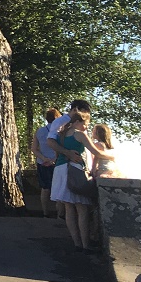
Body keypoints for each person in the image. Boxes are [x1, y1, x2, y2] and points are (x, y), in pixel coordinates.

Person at [50, 107, 108, 251]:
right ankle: (86, 244)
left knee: (69, 208)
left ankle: (77, 243)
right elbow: (96, 152)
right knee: (81, 208)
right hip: (74, 170)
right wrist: (112, 157)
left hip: (60, 170)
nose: (86, 127)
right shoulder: (80, 135)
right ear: (77, 122)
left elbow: (52, 145)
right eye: (85, 124)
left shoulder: (61, 134)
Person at [31, 107, 61, 218]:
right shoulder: (59, 132)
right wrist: (53, 160)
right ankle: (60, 214)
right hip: (56, 163)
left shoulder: (39, 131)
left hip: (42, 163)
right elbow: (59, 148)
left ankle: (45, 212)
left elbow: (34, 149)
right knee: (58, 189)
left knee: (45, 188)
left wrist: (43, 158)